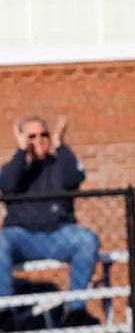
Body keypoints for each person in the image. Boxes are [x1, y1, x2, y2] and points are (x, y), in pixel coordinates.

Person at [1, 116, 100, 317]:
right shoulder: (14, 167)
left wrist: (60, 145)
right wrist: (22, 152)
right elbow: (6, 185)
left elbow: (75, 177)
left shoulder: (60, 164)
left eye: (43, 134)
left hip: (58, 234)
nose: (39, 139)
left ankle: (75, 309)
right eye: (32, 136)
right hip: (22, 237)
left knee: (87, 240)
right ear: (22, 139)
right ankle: (5, 309)